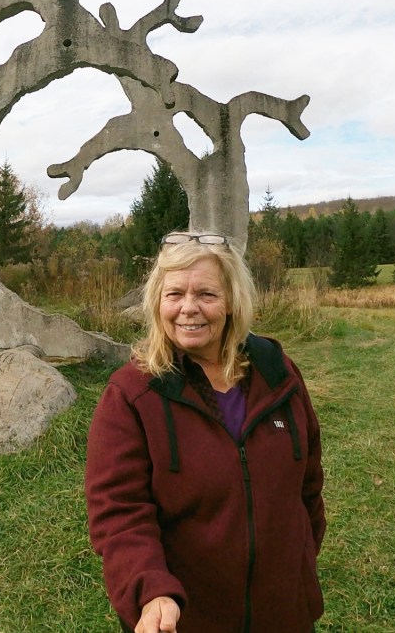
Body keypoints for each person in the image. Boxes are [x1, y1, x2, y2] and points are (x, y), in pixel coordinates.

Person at [85, 231, 326, 632]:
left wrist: (299, 558)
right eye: (174, 294)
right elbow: (119, 514)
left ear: (231, 302)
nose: (188, 309)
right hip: (185, 617)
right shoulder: (132, 395)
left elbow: (308, 485)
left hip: (284, 612)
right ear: (157, 302)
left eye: (207, 295)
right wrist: (152, 591)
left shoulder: (277, 374)